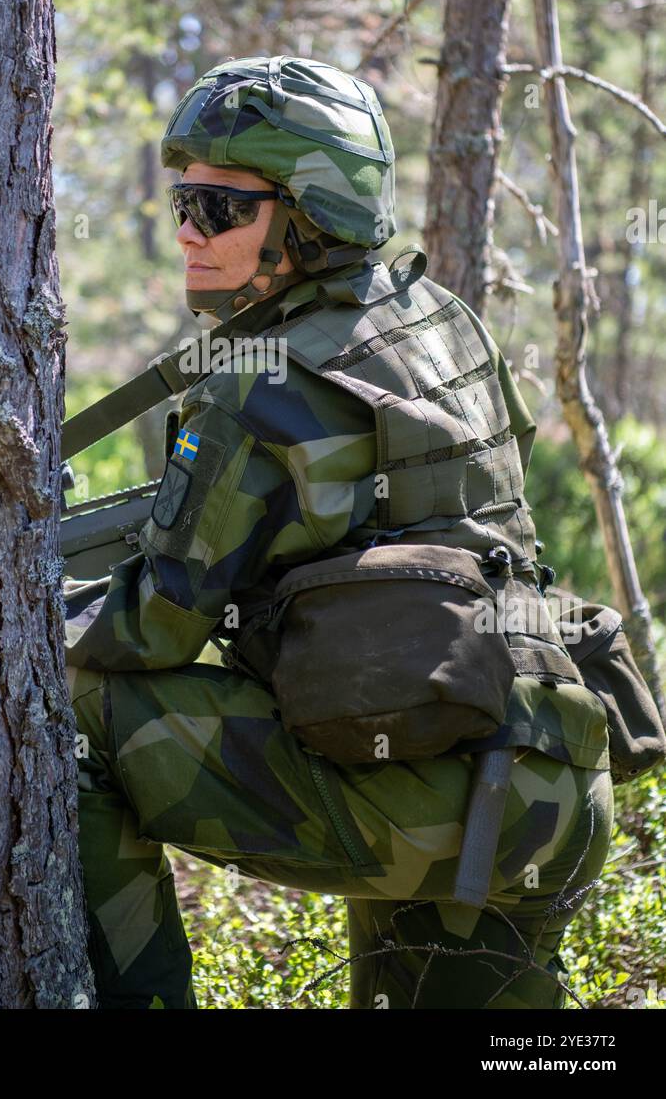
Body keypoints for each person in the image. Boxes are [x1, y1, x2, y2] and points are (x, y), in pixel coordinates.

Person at [64, 55, 613, 1010]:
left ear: (310, 214)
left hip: (421, 797)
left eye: (224, 208)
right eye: (183, 202)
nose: (190, 231)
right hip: (547, 782)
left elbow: (150, 631)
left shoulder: (259, 382)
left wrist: (30, 608)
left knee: (70, 697)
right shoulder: (447, 323)